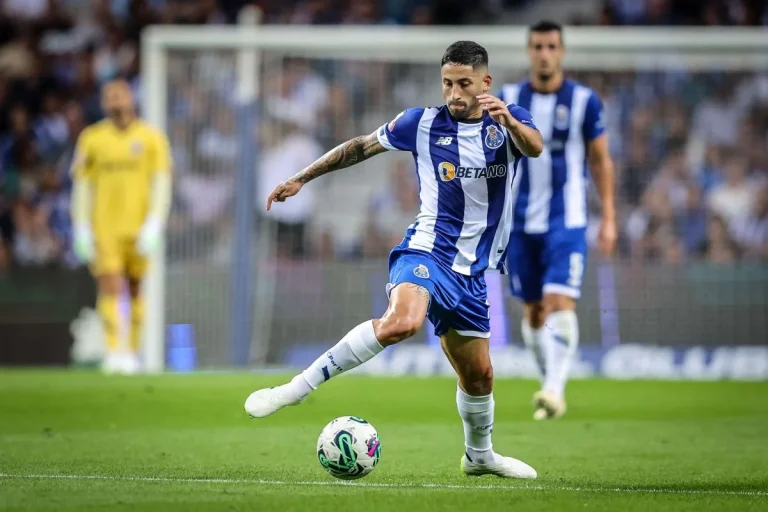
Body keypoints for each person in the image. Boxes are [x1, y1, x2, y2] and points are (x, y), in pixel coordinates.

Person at [245, 41, 542, 479]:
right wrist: (302, 178)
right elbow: (361, 146)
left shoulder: (509, 124)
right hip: (425, 249)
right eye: (447, 83)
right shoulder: (421, 123)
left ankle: (479, 457)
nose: (454, 93)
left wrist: (510, 121)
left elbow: (534, 148)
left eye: (464, 84)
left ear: (485, 82)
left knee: (479, 377)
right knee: (403, 322)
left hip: (473, 271)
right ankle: (295, 388)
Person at [499, 21, 617, 420]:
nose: (544, 53)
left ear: (562, 51)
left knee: (559, 301)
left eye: (551, 46)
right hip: (517, 223)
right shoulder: (510, 97)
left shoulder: (584, 101)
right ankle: (550, 380)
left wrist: (610, 218)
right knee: (533, 311)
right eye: (537, 46)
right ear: (529, 51)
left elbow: (600, 161)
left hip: (566, 219)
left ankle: (553, 389)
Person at [70, 79, 172, 374]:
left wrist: (155, 222)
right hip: (105, 229)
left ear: (131, 98)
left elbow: (161, 182)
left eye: (119, 93)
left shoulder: (151, 138)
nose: (115, 99)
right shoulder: (92, 138)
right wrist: (80, 225)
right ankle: (115, 351)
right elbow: (82, 185)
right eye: (109, 95)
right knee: (111, 288)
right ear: (103, 103)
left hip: (140, 229)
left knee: (137, 290)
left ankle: (133, 350)